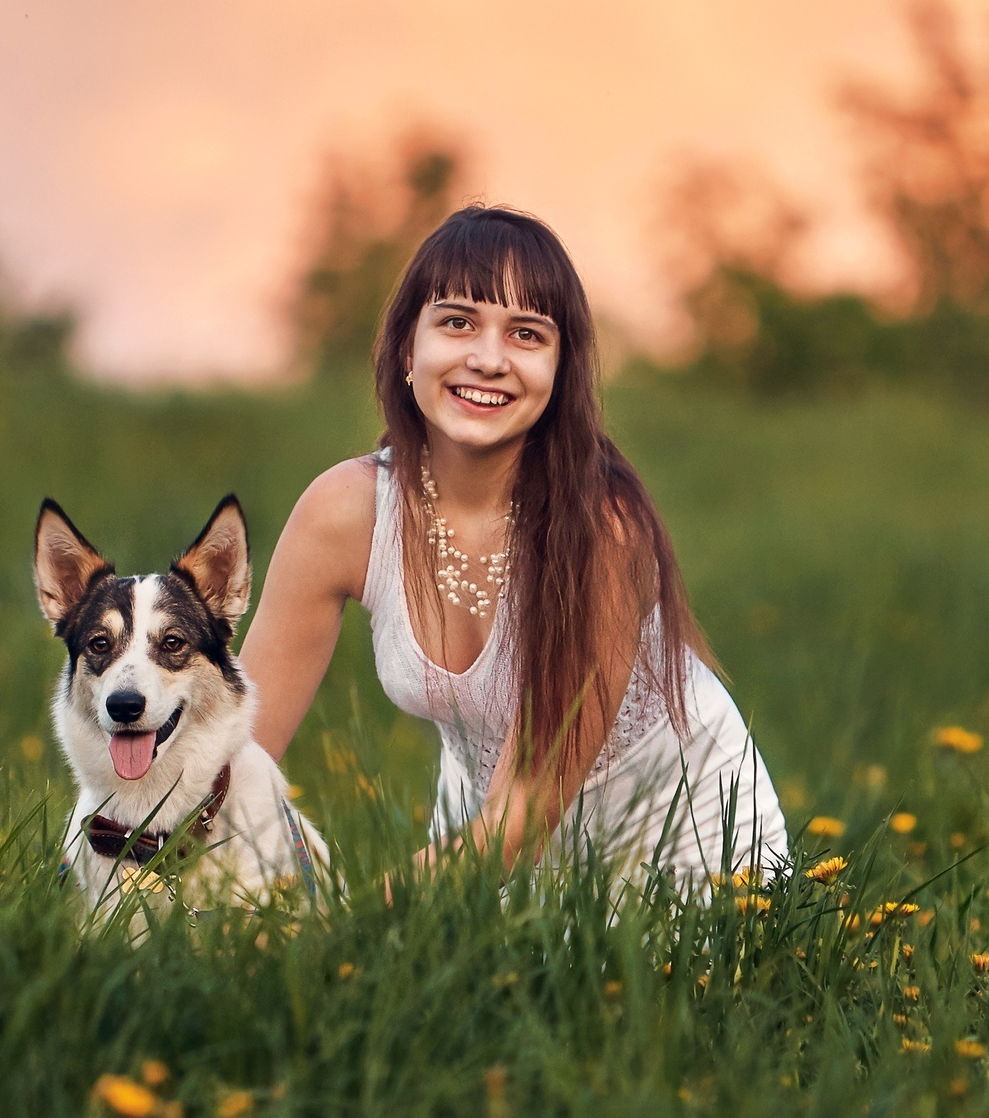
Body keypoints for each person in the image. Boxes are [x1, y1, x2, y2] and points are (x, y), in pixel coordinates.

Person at [237, 204, 786, 884]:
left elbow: (527, 807)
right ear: (409, 350)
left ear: (560, 373)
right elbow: (235, 749)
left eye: (526, 334)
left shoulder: (604, 529)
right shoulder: (344, 513)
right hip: (476, 835)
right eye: (458, 322)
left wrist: (348, 916)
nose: (489, 359)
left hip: (684, 839)